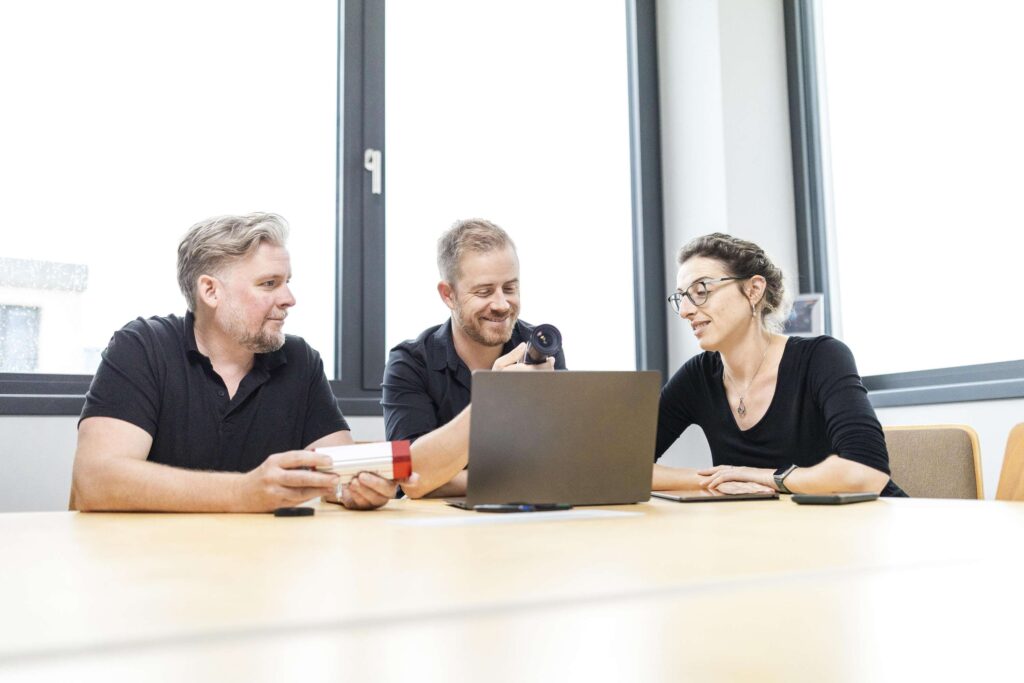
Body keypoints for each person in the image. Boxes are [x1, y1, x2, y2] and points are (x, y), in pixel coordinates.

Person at [72, 212, 400, 512]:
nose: (289, 299)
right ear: (211, 292)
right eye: (269, 284)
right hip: (149, 563)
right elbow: (96, 481)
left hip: (262, 562)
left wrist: (357, 488)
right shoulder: (142, 347)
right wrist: (243, 492)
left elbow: (335, 471)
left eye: (287, 282)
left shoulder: (300, 361)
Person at [653, 232, 906, 497]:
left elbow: (866, 472)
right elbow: (619, 467)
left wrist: (765, 478)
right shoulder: (698, 377)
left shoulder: (821, 358)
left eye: (701, 291)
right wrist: (714, 479)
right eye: (681, 297)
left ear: (753, 290)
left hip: (870, 525)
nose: (685, 311)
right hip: (778, 531)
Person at [382, 218, 565, 498]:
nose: (502, 305)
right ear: (449, 295)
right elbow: (412, 477)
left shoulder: (540, 349)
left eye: (510, 288)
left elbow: (563, 467)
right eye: (484, 291)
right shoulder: (410, 363)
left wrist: (448, 479)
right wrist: (494, 396)